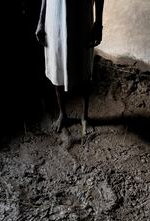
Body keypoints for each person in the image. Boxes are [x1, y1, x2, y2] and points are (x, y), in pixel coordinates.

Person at [35, 0, 104, 137]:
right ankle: (63, 114)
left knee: (84, 67)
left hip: (82, 18)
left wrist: (98, 23)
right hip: (54, 18)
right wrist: (41, 21)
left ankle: (85, 116)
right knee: (57, 66)